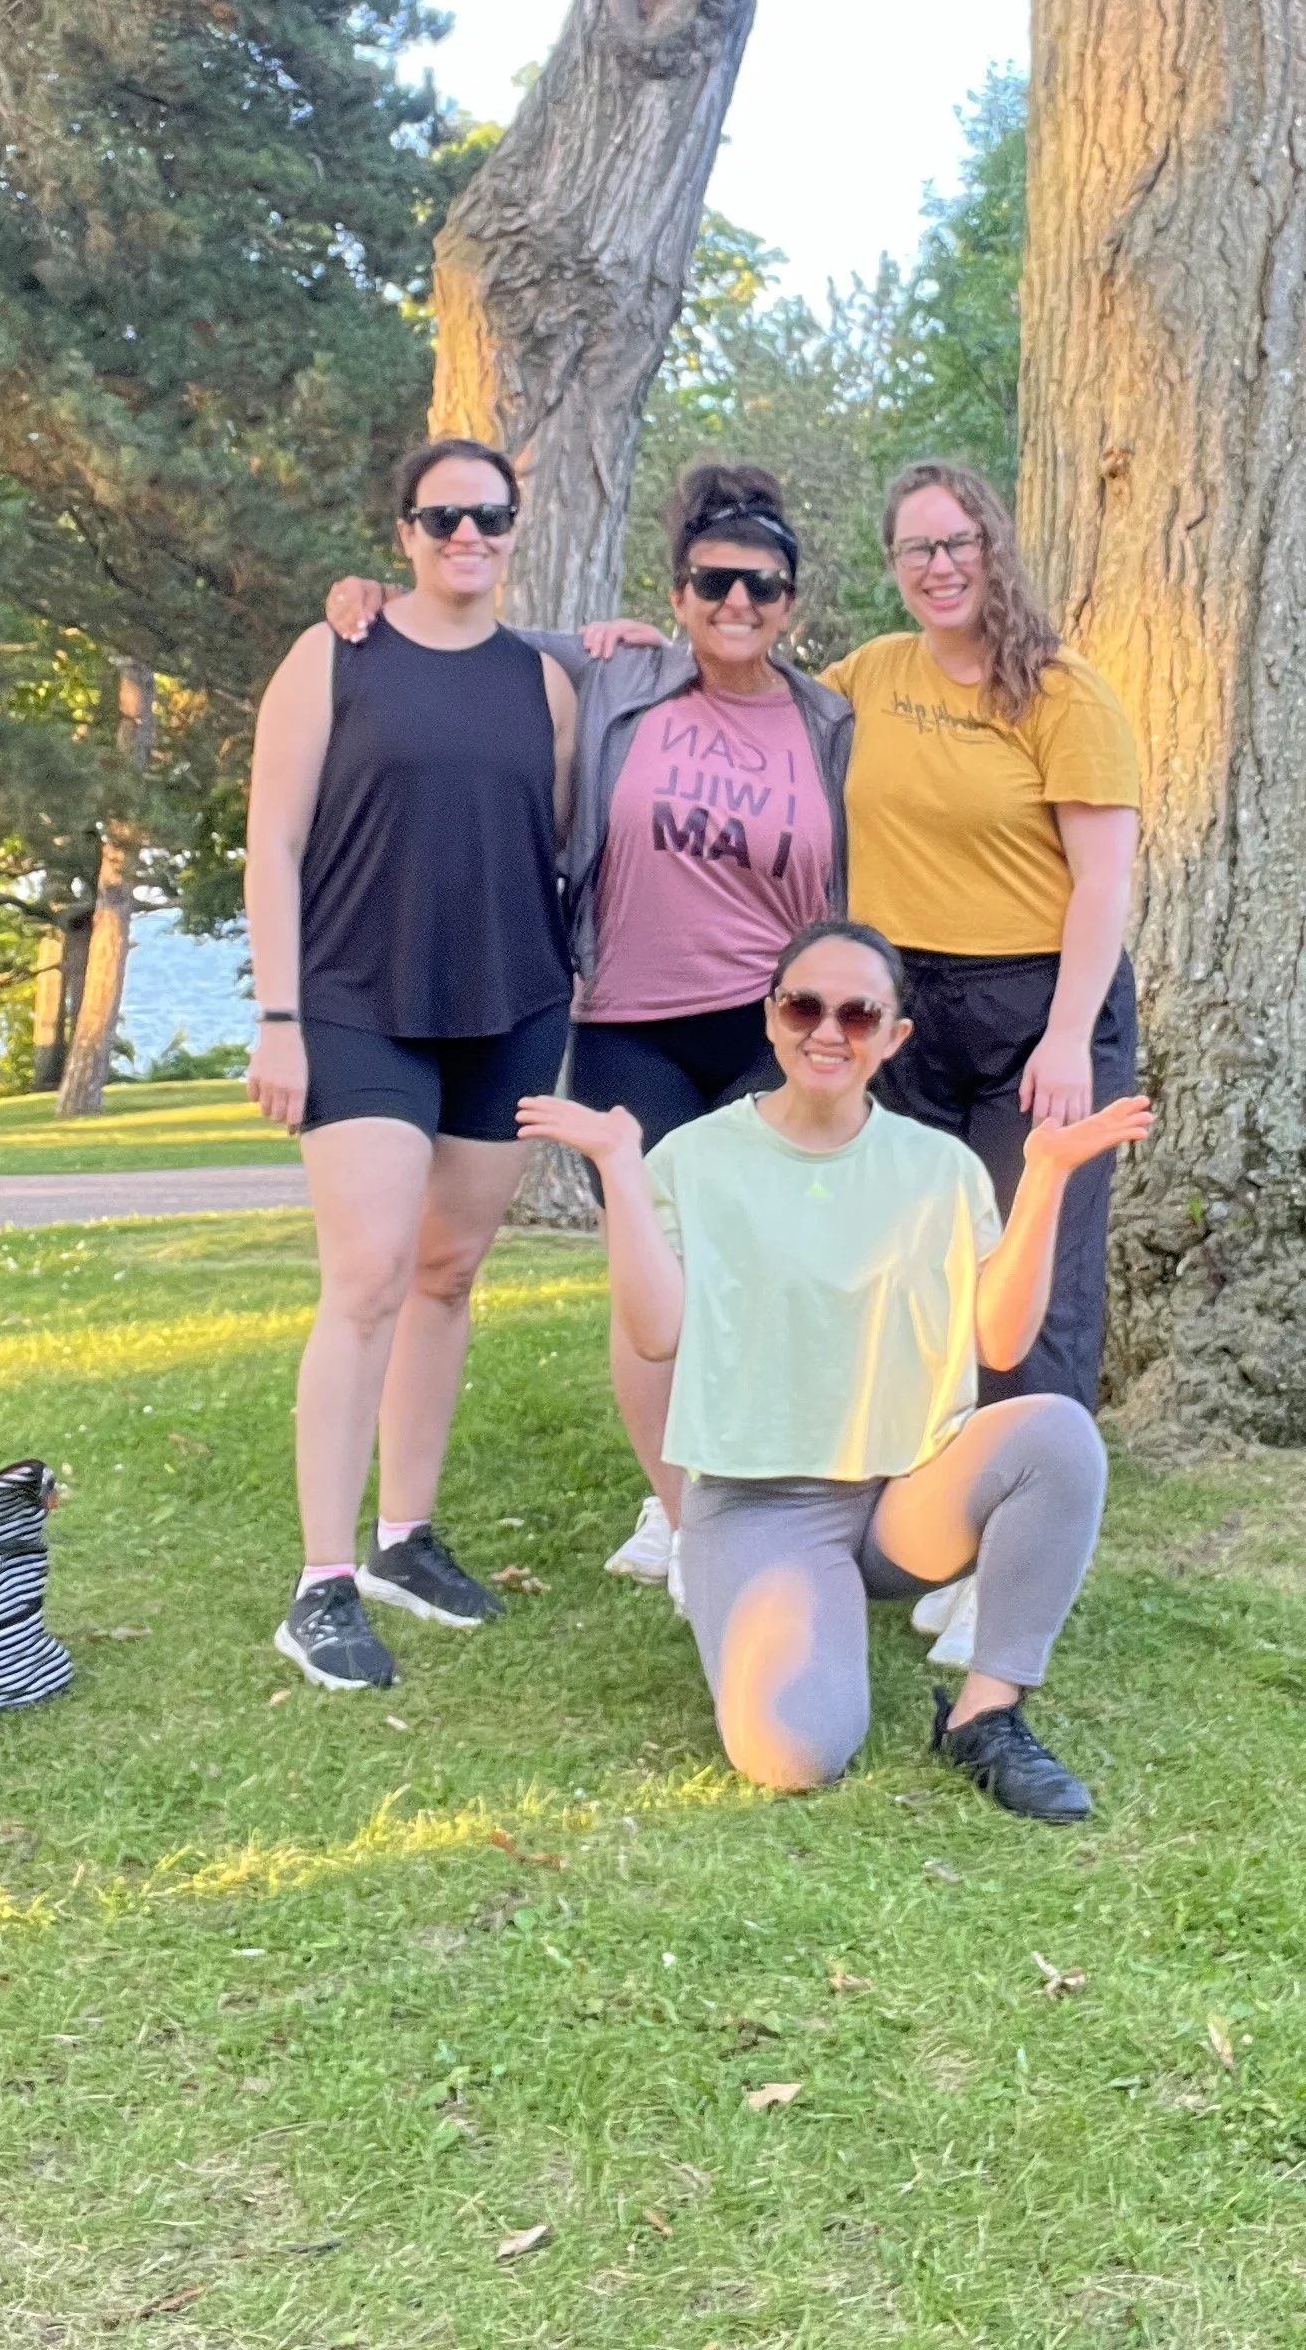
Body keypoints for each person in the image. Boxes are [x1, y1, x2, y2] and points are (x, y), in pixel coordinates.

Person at [583, 459, 1140, 1670]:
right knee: (921, 1277)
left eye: (958, 543)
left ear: (994, 547)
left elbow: (1104, 880)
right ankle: (883, 1507)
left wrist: (1064, 1035)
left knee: (1030, 1270)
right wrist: (641, 649)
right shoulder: (867, 679)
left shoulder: (1062, 691)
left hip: (1037, 1002)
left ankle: (1006, 1566)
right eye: (914, 549)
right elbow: (743, 679)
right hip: (902, 1006)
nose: (939, 566)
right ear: (893, 565)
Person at [322, 461, 852, 1604]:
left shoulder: (826, 716)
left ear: (792, 602)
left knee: (762, 1274)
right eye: (715, 582)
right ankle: (680, 1514)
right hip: (629, 1022)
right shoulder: (610, 675)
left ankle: (760, 1489)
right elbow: (459, 634)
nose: (739, 605)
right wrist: (361, 595)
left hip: (772, 1032)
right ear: (679, 592)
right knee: (653, 1277)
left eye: (764, 587)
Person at [520, 922, 1151, 1818]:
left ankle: (985, 1714)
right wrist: (620, 1168)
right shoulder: (693, 1159)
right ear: (770, 1018)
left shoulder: (938, 1166)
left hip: (902, 1496)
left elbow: (1002, 1343)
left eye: (858, 1015)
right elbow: (656, 1333)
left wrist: (1042, 1180)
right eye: (804, 1006)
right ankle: (784, 1602)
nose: (827, 1031)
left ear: (894, 1038)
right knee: (794, 1755)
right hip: (761, 1502)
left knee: (1054, 1435)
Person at [245, 437, 576, 1694]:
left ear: (511, 526)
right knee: (372, 1277)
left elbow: (543, 837)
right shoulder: (335, 652)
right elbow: (271, 845)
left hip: (508, 1005)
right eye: (442, 517)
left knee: (448, 1271)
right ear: (403, 532)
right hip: (353, 1004)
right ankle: (322, 1582)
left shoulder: (541, 683)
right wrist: (278, 1018)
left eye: (488, 515)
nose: (466, 535)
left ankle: (403, 1540)